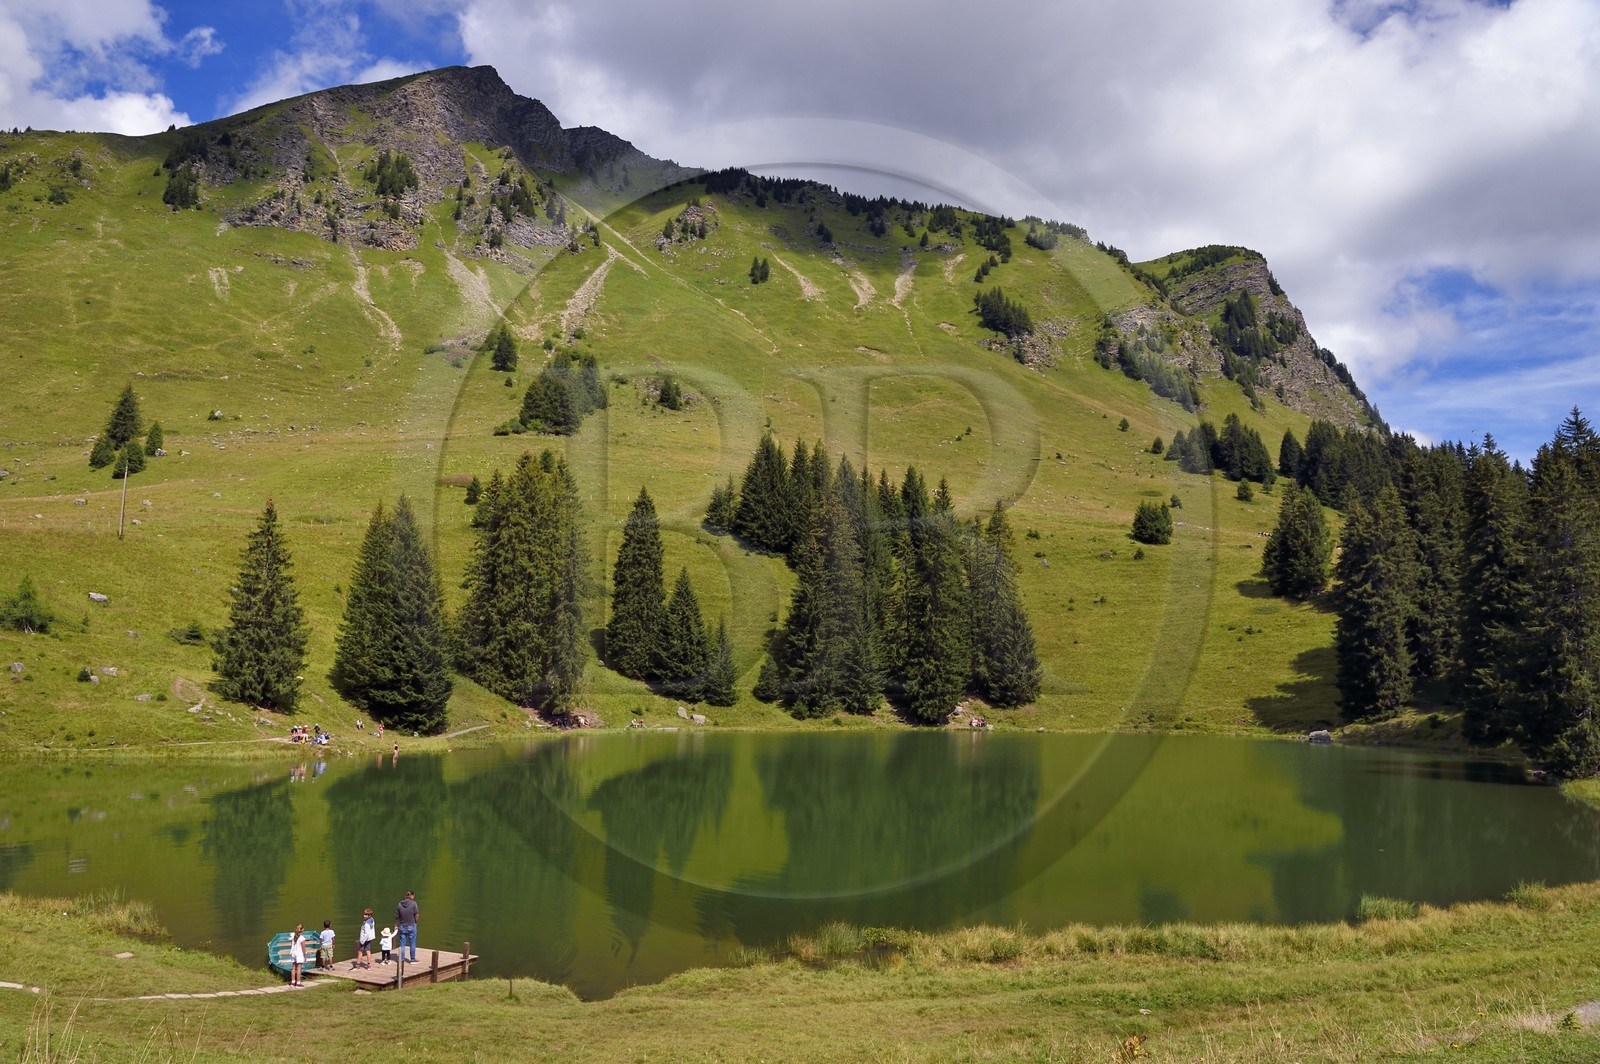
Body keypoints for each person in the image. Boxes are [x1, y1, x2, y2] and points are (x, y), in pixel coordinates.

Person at [395, 889, 419, 963]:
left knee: (402, 943)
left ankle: (401, 959)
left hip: (402, 926)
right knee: (412, 943)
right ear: (411, 895)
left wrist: (396, 925)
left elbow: (396, 917)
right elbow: (417, 915)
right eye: (413, 896)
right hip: (412, 925)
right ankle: (412, 959)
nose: (414, 897)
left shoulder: (399, 904)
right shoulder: (414, 903)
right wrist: (416, 922)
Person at [289, 922, 306, 987]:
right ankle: (298, 983)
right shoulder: (302, 938)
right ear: (302, 930)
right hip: (299, 954)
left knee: (293, 968)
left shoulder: (293, 936)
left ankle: (292, 982)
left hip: (293, 953)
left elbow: (292, 945)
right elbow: (303, 948)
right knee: (299, 969)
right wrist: (304, 956)